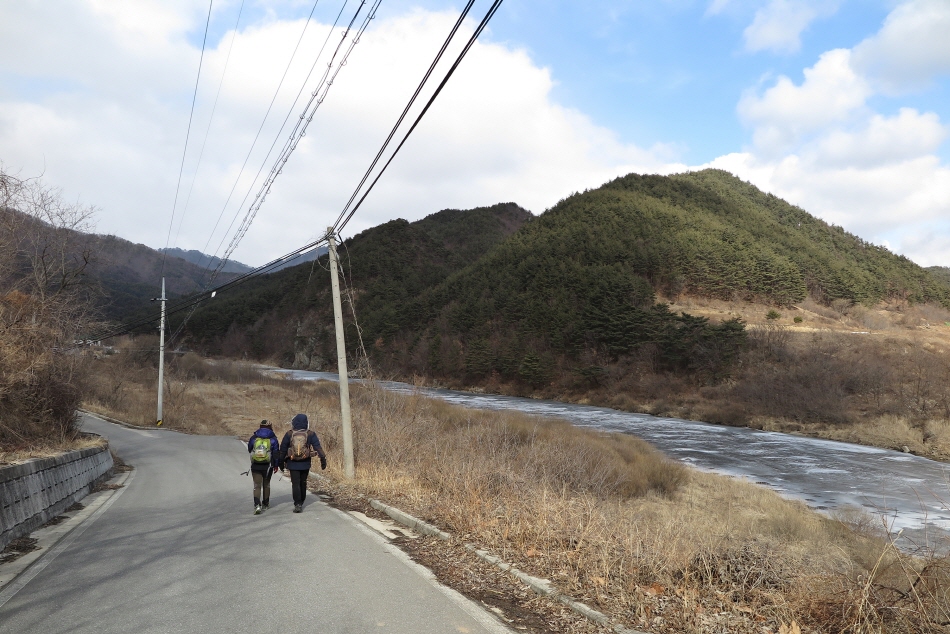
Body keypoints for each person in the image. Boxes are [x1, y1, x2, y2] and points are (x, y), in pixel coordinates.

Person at [278, 413, 327, 513]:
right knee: (303, 482)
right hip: (305, 462)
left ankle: (298, 503)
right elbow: (318, 447)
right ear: (306, 422)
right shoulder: (310, 434)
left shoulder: (289, 434)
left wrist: (280, 462)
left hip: (292, 462)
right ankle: (302, 500)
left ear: (294, 422)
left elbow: (282, 449)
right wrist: (323, 459)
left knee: (295, 483)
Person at [247, 419, 279, 515]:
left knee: (257, 486)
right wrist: (276, 465)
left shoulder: (254, 437)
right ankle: (266, 504)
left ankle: (257, 505)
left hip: (255, 465)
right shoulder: (273, 438)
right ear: (270, 427)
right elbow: (276, 453)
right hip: (268, 466)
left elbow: (249, 449)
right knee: (266, 484)